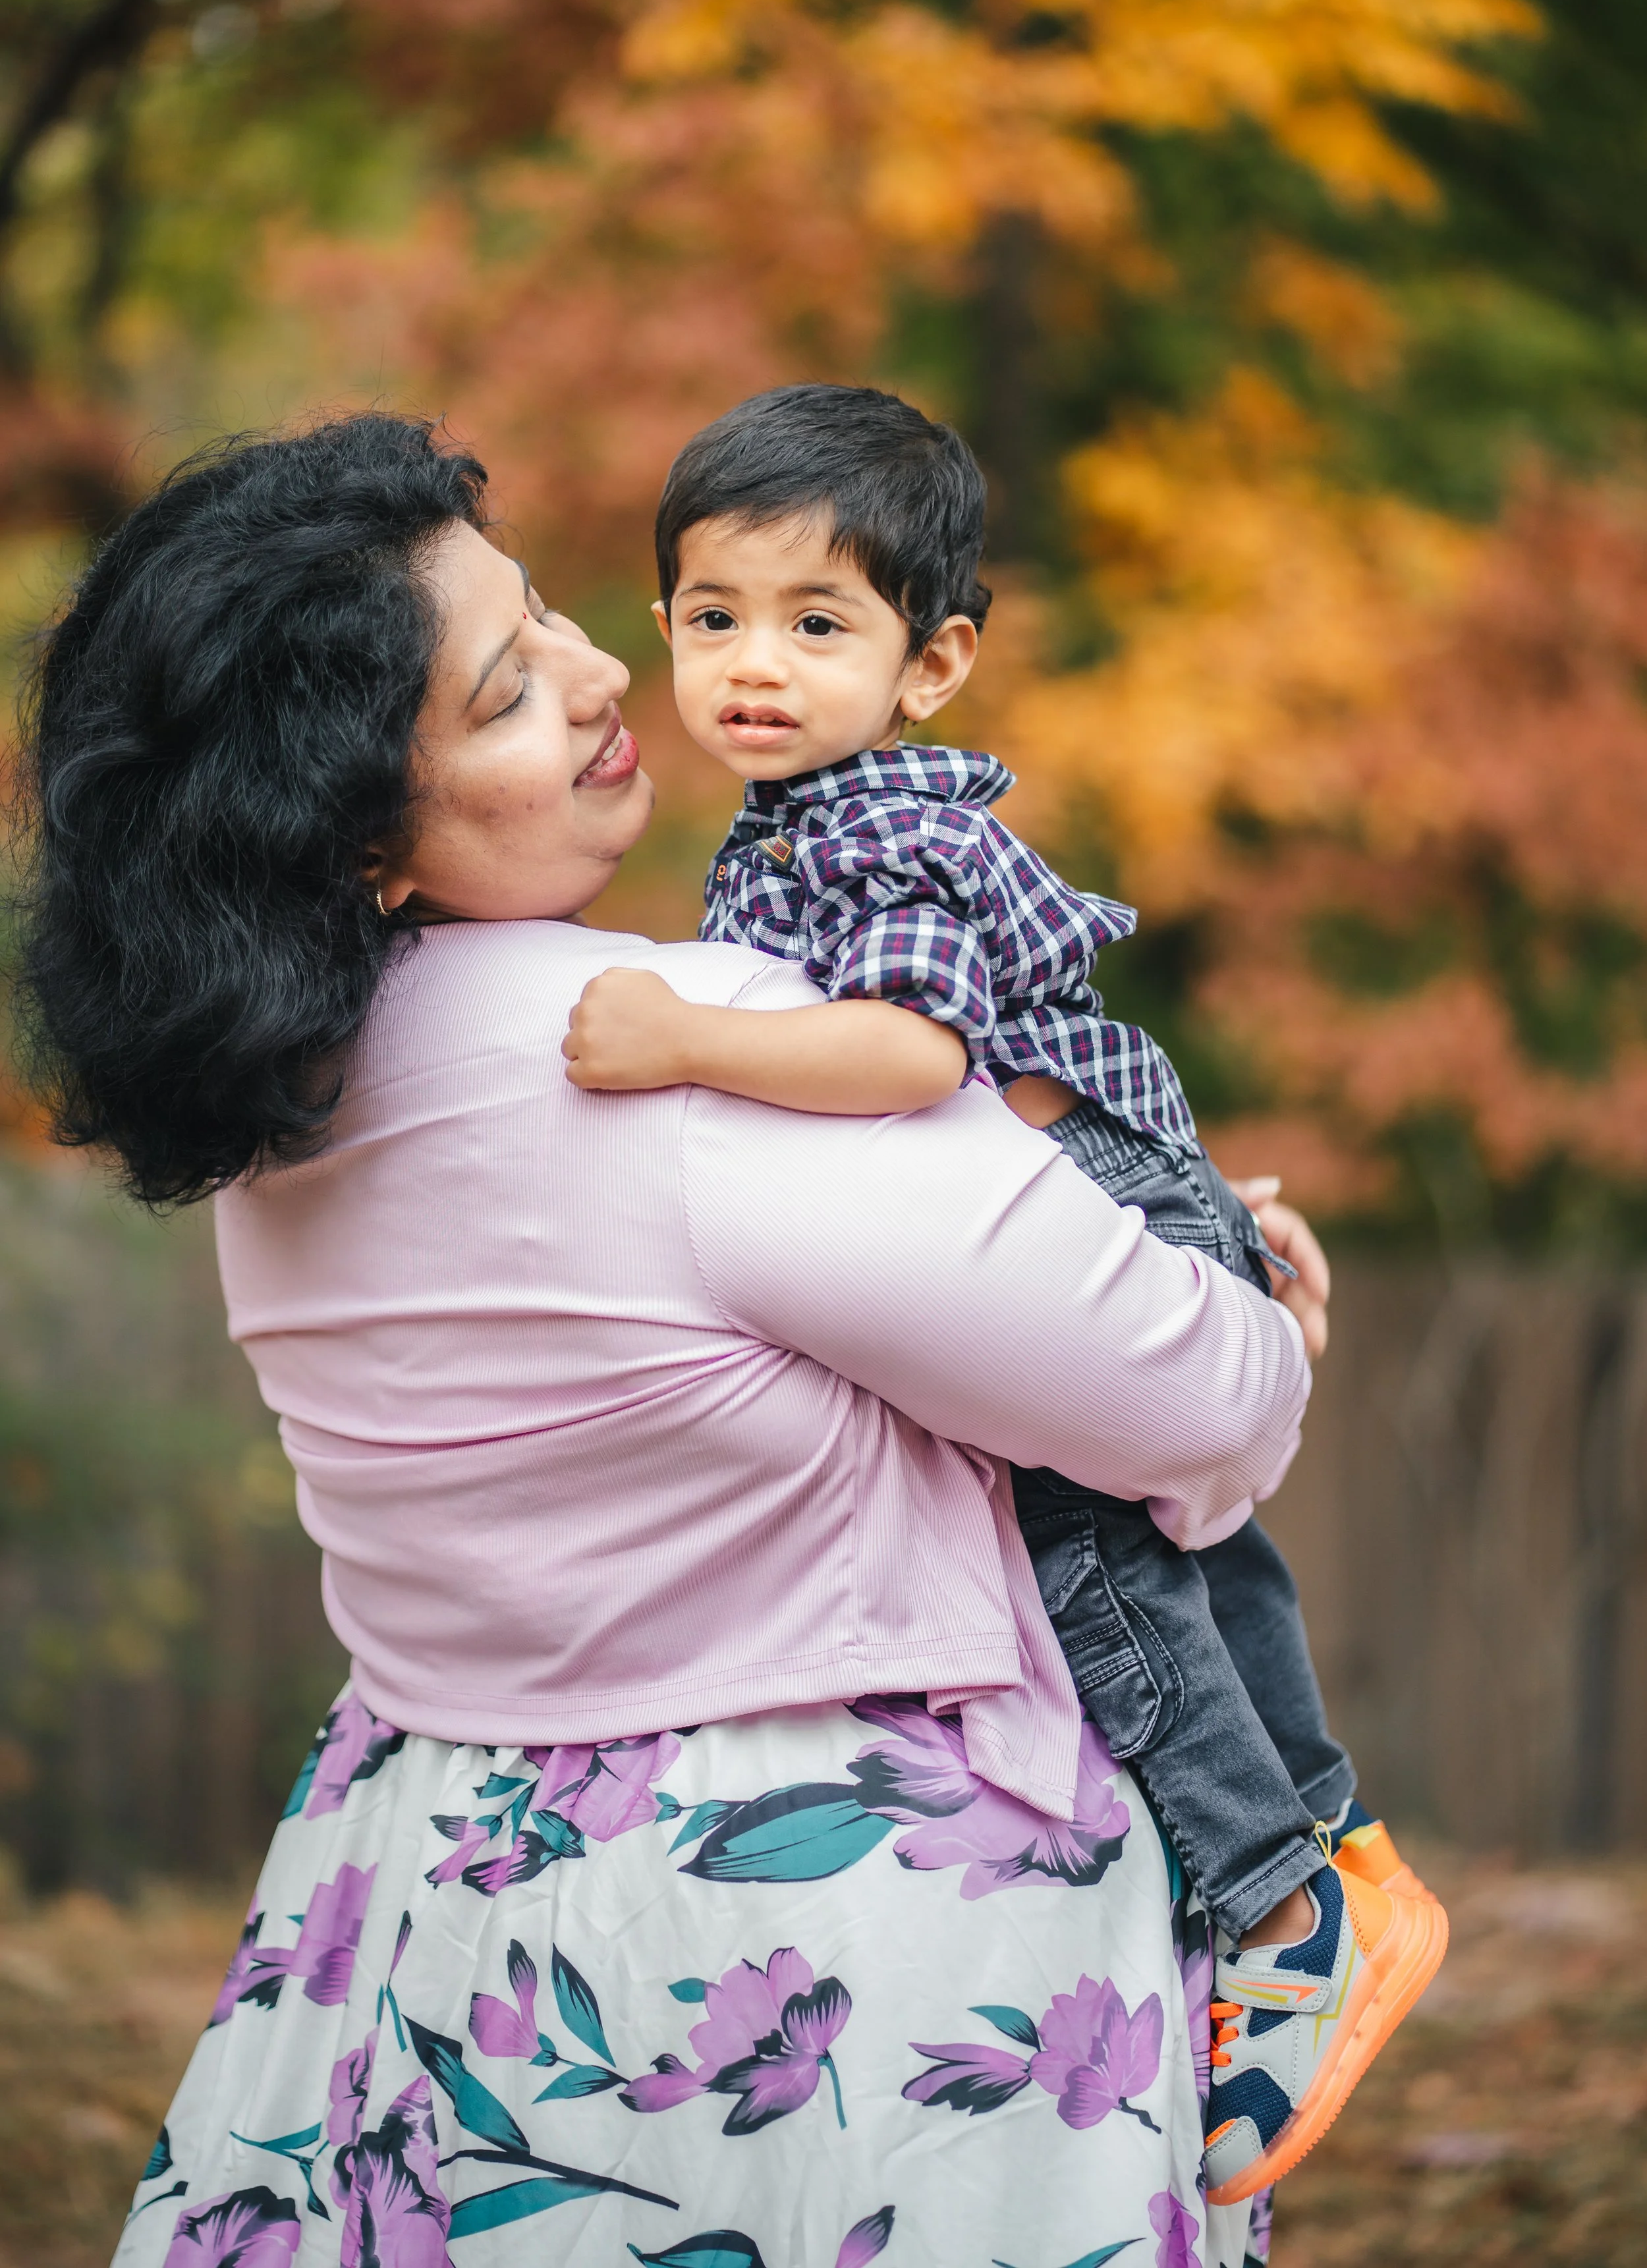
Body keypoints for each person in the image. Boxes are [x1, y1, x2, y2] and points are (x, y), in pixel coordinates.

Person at [20, 411, 1312, 2267]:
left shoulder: (283, 1119)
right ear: (357, 830)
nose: (606, 669)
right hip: (820, 1951)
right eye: (504, 692)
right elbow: (1186, 1398)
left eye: (543, 609)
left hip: (438, 1923)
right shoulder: (699, 1047)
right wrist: (1265, 1310)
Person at [561, 383, 1448, 2205]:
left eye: (819, 626)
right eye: (715, 618)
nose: (754, 663)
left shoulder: (875, 822)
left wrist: (675, 1034)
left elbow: (898, 1055)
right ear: (660, 622)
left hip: (1087, 1181)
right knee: (1185, 1550)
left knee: (1084, 1539)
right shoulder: (796, 812)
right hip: (1108, 1166)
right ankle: (1340, 1838)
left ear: (932, 662)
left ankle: (1272, 1896)